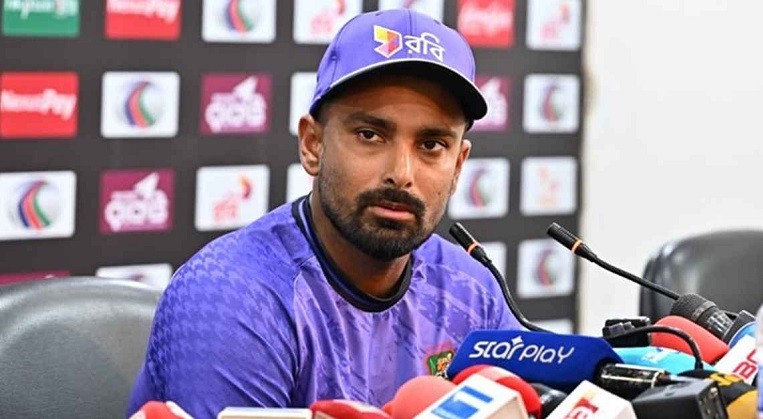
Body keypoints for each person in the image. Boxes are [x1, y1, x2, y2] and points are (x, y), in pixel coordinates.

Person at [127, 8, 521, 418]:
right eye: (370, 135)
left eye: (431, 145)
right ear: (313, 145)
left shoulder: (472, 291)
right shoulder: (232, 298)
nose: (401, 173)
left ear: (458, 166)